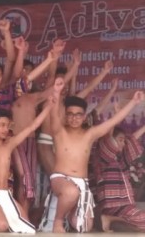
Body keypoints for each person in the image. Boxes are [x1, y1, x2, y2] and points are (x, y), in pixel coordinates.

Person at [49, 77, 144, 233]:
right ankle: (57, 222)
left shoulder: (90, 134)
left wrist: (133, 103)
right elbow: (53, 116)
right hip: (61, 179)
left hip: (82, 183)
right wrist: (56, 92)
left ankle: (69, 215)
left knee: (86, 226)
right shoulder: (60, 132)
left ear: (84, 117)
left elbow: (113, 121)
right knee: (70, 192)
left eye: (78, 114)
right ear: (65, 115)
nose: (74, 118)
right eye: (70, 114)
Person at [0, 90, 53, 233]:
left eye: (8, 125)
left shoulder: (9, 144)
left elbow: (32, 127)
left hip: (5, 194)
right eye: (2, 125)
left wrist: (49, 106)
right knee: (2, 226)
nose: (5, 129)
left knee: (27, 227)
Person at [95, 125, 145, 232]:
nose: (123, 143)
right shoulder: (104, 158)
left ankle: (113, 220)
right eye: (120, 140)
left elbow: (133, 139)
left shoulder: (121, 161)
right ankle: (109, 218)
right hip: (114, 207)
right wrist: (115, 119)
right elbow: (108, 140)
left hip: (124, 208)